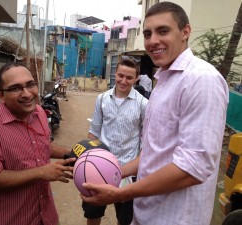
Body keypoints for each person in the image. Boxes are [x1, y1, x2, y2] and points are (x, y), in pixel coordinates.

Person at [81, 2, 228, 225]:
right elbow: (153, 153)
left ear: (185, 32)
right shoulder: (164, 80)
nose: (152, 41)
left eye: (163, 31)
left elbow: (194, 166)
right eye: (148, 33)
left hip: (175, 217)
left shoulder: (201, 79)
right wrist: (113, 172)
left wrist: (122, 194)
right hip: (147, 212)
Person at [0, 62, 75, 225]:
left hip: (46, 216)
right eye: (15, 88)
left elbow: (42, 145)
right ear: (1, 95)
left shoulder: (38, 112)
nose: (27, 94)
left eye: (30, 85)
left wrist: (73, 153)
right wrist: (41, 172)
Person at [84, 57, 148, 225]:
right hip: (100, 168)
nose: (123, 81)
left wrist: (137, 164)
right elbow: (94, 132)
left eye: (129, 77)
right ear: (115, 74)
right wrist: (91, 160)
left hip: (128, 171)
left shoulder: (144, 104)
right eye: (120, 75)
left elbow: (146, 140)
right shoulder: (102, 99)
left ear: (136, 78)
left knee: (125, 219)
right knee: (93, 214)